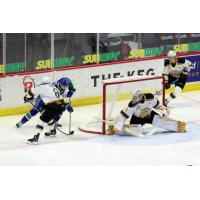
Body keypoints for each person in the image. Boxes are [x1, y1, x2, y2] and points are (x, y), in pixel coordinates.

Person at [106, 90, 186, 136]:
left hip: (149, 115)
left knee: (160, 120)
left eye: (135, 99)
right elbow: (123, 116)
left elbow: (157, 105)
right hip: (137, 119)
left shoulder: (150, 98)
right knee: (135, 130)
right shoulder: (131, 105)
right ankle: (113, 129)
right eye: (133, 99)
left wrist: (163, 109)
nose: (134, 101)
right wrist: (118, 126)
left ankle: (178, 126)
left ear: (140, 97)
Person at [25, 77, 75, 144]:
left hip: (53, 107)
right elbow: (59, 98)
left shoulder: (41, 87)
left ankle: (35, 138)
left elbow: (31, 93)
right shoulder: (53, 86)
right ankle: (52, 131)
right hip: (59, 107)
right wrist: (66, 106)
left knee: (41, 120)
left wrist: (27, 97)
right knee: (48, 118)